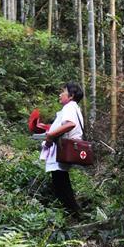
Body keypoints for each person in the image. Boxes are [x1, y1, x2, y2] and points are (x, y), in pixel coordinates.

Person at [40, 81, 84, 217]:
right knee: (61, 182)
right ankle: (72, 213)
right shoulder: (73, 108)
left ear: (71, 96)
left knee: (61, 184)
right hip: (63, 149)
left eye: (63, 92)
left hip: (63, 149)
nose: (60, 94)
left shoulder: (69, 107)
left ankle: (73, 214)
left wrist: (51, 135)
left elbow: (70, 124)